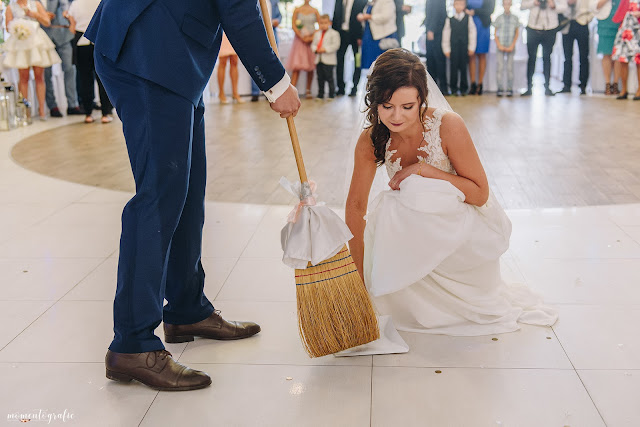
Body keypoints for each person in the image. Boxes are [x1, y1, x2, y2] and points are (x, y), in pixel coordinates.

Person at [85, 0, 301, 392]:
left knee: (186, 189)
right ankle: (132, 343)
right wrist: (277, 83)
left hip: (172, 54)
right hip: (149, 51)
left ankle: (186, 307)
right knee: (158, 197)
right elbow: (238, 8)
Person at [343, 49, 557, 354]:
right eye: (386, 106)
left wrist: (424, 170)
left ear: (422, 99)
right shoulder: (372, 139)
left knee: (416, 188)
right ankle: (407, 291)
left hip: (462, 232)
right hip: (414, 235)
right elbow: (355, 208)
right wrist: (357, 281)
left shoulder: (447, 125)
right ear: (374, 102)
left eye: (407, 106)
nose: (396, 116)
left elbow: (480, 193)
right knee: (388, 205)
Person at [2, 0, 61, 119]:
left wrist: (34, 14)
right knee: (23, 77)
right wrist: (18, 28)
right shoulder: (10, 7)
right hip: (21, 43)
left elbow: (47, 22)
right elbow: (8, 27)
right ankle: (25, 112)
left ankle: (42, 111)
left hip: (36, 42)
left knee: (39, 77)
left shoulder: (35, 4)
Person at [64, 0, 113, 123]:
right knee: (103, 79)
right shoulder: (102, 1)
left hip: (82, 43)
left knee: (84, 79)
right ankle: (105, 113)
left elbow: (72, 28)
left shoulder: (76, 3)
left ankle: (88, 114)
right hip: (100, 41)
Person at [42, 0, 82, 117]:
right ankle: (52, 106)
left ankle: (72, 104)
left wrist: (67, 13)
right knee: (46, 73)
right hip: (44, 37)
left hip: (63, 34)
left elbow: (65, 5)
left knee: (70, 69)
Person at [521, 0, 568, 96]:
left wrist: (553, 5)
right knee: (531, 58)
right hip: (533, 27)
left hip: (550, 28)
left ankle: (547, 87)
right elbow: (522, 6)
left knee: (547, 58)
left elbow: (564, 7)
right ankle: (529, 88)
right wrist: (534, 2)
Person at [558, 0, 597, 95]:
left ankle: (583, 85)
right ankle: (566, 85)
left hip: (582, 23)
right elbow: (558, 7)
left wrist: (588, 19)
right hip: (567, 24)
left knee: (583, 57)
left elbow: (593, 7)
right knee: (567, 57)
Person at [333, 0, 368, 96]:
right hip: (341, 35)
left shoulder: (361, 1)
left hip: (356, 36)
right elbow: (335, 17)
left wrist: (360, 36)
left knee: (357, 61)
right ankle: (341, 88)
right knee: (339, 61)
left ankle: (354, 87)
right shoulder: (339, 1)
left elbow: (363, 21)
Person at [442, 0, 477, 96]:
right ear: (453, 5)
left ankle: (463, 88)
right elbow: (446, 35)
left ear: (464, 5)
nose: (458, 6)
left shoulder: (468, 18)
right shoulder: (449, 19)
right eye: (456, 3)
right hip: (453, 48)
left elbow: (472, 33)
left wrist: (471, 47)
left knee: (463, 68)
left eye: (461, 4)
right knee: (453, 68)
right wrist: (446, 49)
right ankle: (453, 89)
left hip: (464, 47)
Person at [287, 0, 320, 99]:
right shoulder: (297, 10)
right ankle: (291, 91)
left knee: (310, 66)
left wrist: (311, 37)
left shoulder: (315, 10)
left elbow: (320, 25)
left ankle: (308, 91)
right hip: (299, 41)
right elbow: (293, 25)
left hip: (311, 41)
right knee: (296, 67)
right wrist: (301, 37)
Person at [251, 0, 282, 102]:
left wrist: (275, 21)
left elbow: (279, 17)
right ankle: (255, 92)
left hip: (272, 33)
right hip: (256, 33)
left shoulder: (274, 2)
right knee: (255, 62)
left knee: (271, 62)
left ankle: (270, 91)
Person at [611, 0, 640, 100]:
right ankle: (624, 90)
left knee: (638, 61)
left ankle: (639, 90)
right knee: (623, 59)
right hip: (626, 28)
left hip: (638, 29)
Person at [357, 0, 398, 72]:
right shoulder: (370, 2)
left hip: (383, 36)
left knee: (383, 64)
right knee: (370, 64)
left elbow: (385, 17)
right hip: (369, 34)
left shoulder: (387, 1)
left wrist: (369, 17)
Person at [466, 0, 496, 95]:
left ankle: (480, 84)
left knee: (482, 54)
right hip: (470, 25)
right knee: (471, 54)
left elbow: (490, 10)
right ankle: (472, 84)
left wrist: (475, 12)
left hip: (483, 26)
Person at [494, 0, 520, 96]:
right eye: (505, 4)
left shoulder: (515, 18)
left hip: (510, 46)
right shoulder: (499, 18)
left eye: (509, 4)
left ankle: (509, 88)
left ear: (511, 5)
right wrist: (499, 45)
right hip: (500, 46)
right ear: (502, 5)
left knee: (510, 67)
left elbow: (517, 33)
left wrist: (512, 45)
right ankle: (500, 88)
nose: (507, 6)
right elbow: (495, 32)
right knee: (500, 67)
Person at [312, 15, 341, 99]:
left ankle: (331, 94)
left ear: (329, 23)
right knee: (320, 78)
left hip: (329, 60)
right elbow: (313, 44)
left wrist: (325, 49)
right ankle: (320, 94)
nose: (323, 25)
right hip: (319, 59)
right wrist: (315, 49)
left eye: (325, 23)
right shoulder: (317, 34)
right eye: (321, 23)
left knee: (329, 78)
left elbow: (336, 45)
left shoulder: (334, 33)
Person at [597, 0, 622, 95]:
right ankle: (607, 84)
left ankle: (615, 84)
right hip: (605, 22)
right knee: (606, 53)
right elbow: (594, 6)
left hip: (620, 21)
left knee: (618, 54)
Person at [424, 0, 449, 94]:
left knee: (437, 59)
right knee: (432, 59)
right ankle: (434, 88)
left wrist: (431, 29)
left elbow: (437, 12)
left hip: (436, 31)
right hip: (432, 29)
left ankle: (441, 88)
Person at [217, 32, 245, 104]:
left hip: (233, 31)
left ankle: (235, 93)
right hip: (222, 32)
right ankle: (221, 93)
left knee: (234, 62)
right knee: (222, 62)